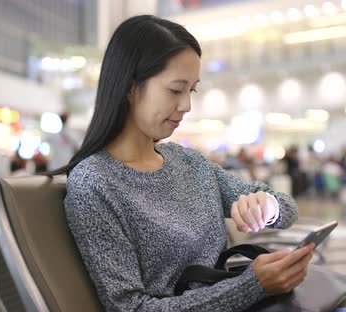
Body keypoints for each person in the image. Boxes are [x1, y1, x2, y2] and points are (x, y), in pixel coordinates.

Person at [48, 15, 312, 312]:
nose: (187, 105)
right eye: (176, 90)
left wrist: (267, 206)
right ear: (130, 87)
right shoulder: (95, 185)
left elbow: (286, 209)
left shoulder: (188, 162)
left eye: (192, 90)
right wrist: (253, 286)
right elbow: (132, 308)